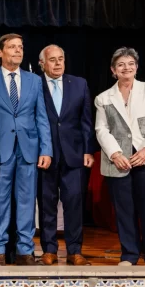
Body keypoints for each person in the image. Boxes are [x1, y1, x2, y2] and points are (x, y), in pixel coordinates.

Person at [95, 47, 145, 266]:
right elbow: (101, 129)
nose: (126, 68)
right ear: (113, 70)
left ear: (136, 67)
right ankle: (129, 255)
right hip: (119, 163)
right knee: (124, 211)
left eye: (130, 64)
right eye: (121, 64)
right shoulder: (103, 98)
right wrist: (115, 153)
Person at [0, 33, 52, 266]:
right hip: (1, 149)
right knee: (0, 202)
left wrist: (46, 149)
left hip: (28, 149)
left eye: (20, 47)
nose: (17, 51)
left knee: (26, 202)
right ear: (0, 52)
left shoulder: (34, 80)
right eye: (12, 47)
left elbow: (41, 116)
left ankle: (25, 251)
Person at [37, 45, 94, 266]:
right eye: (52, 60)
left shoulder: (79, 84)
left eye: (61, 58)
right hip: (46, 155)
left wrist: (88, 149)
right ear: (42, 64)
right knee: (47, 203)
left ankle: (74, 251)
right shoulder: (35, 84)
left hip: (74, 154)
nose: (58, 63)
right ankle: (49, 250)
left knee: (74, 203)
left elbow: (86, 120)